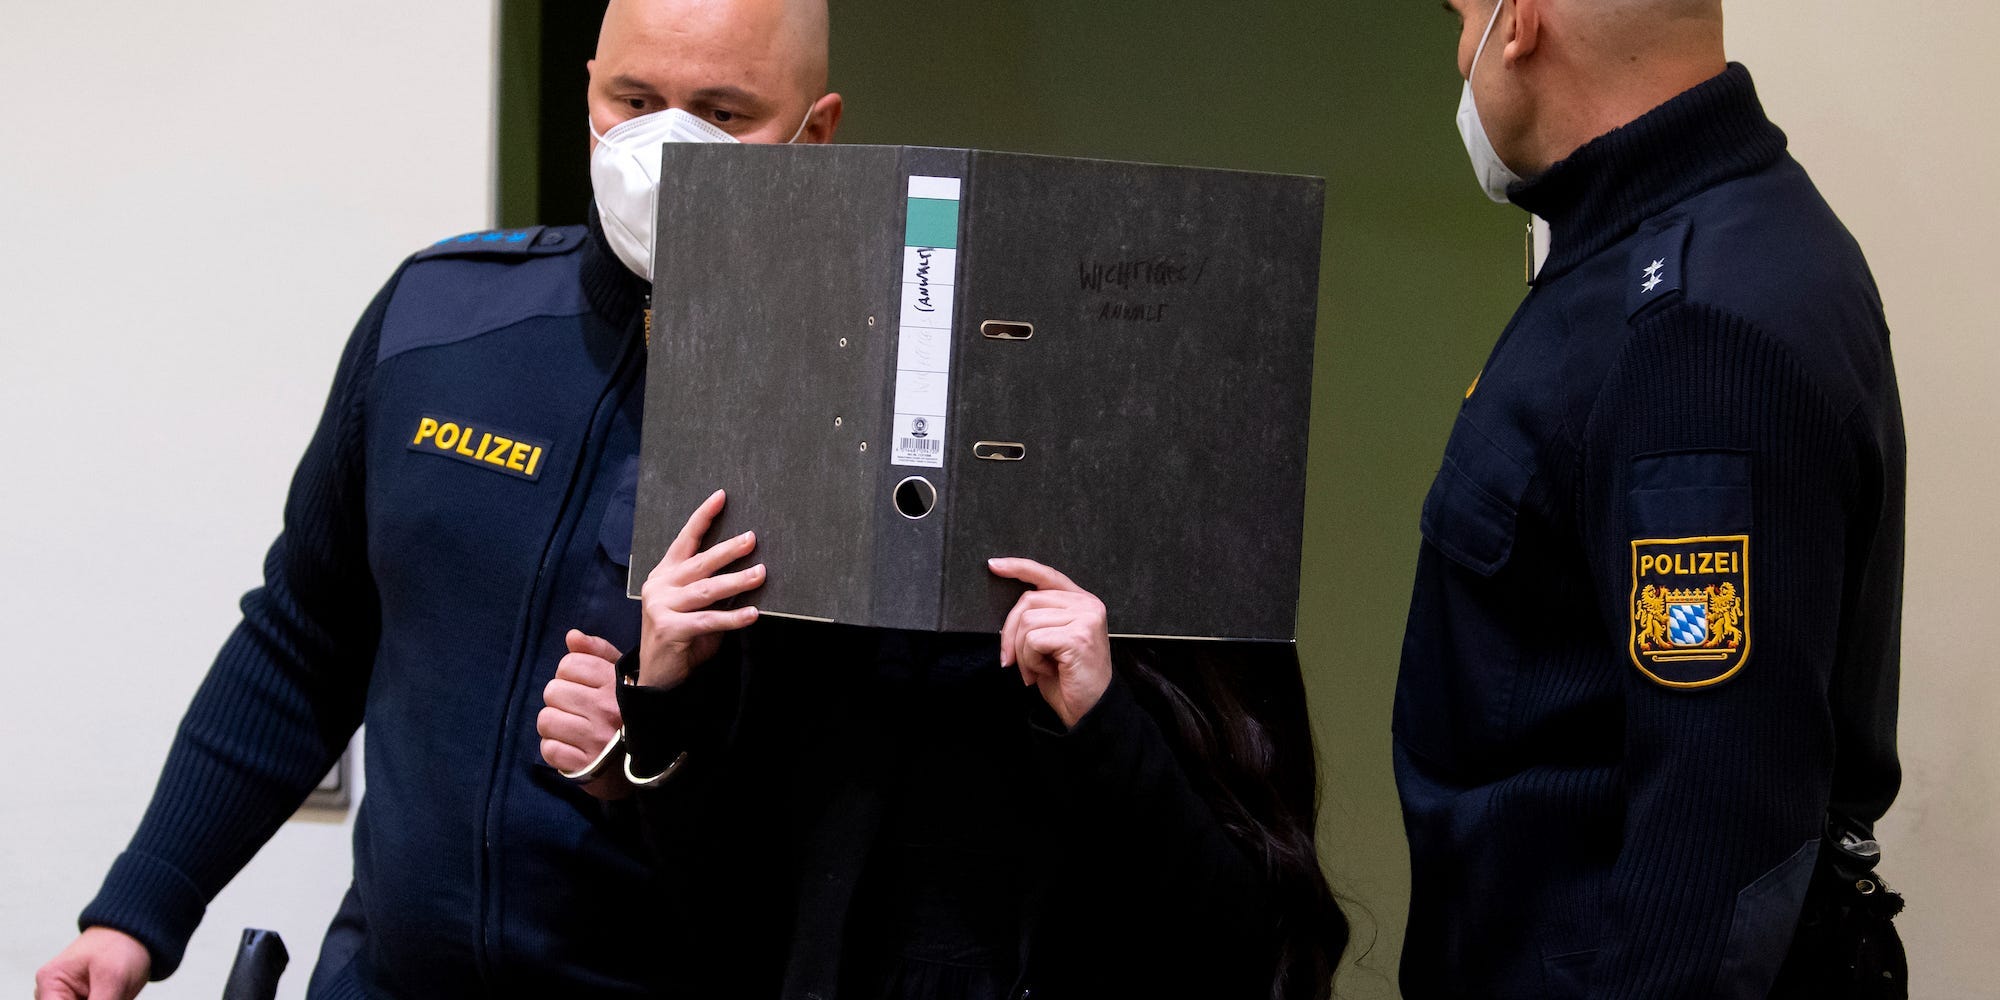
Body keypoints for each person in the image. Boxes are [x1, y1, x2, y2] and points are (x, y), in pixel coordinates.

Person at [34, 1, 843, 997]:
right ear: (587, 87)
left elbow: (863, 808)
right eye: (632, 99)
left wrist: (652, 749)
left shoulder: (848, 413)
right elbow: (304, 637)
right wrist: (137, 911)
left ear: (816, 133)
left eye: (722, 115)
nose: (663, 144)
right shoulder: (442, 316)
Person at [1393, 1, 1906, 997]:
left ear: (1519, 22)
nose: (1456, 57)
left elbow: (1708, 851)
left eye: (1458, 19)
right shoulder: (1666, 243)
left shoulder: (1695, 326)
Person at [539, 494, 1351, 998]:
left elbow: (1257, 948)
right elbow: (726, 929)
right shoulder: (792, 586)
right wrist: (666, 705)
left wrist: (1103, 721)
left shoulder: (1179, 577)